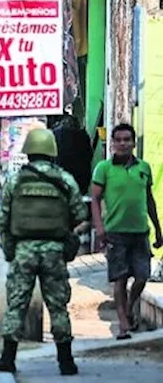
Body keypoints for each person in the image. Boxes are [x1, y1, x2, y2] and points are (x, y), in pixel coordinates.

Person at [0, 128, 88, 375]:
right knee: (58, 306)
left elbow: (2, 218)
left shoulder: (15, 180)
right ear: (52, 152)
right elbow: (80, 214)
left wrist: (10, 248)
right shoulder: (64, 179)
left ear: (28, 152)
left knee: (16, 305)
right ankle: (66, 361)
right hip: (54, 250)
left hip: (24, 249)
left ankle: (7, 358)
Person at [91, 123, 163, 338]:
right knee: (120, 279)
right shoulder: (103, 168)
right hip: (115, 232)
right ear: (112, 143)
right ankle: (123, 324)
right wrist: (100, 228)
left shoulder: (144, 168)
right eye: (118, 140)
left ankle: (130, 306)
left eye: (127, 140)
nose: (122, 144)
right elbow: (95, 199)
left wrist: (158, 229)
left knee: (142, 277)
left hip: (140, 231)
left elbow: (149, 199)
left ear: (133, 143)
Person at [52, 114, 94, 196]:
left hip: (60, 176)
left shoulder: (55, 134)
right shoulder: (83, 136)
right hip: (80, 178)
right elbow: (89, 155)